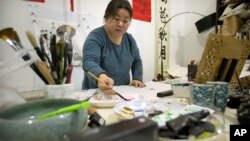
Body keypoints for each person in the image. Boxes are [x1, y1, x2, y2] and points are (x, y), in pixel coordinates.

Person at [82, 0, 145, 95]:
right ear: (106, 18)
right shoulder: (96, 37)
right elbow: (89, 61)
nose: (120, 24)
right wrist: (101, 76)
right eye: (116, 19)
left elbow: (136, 61)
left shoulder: (130, 40)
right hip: (96, 94)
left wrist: (137, 78)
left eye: (125, 21)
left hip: (122, 93)